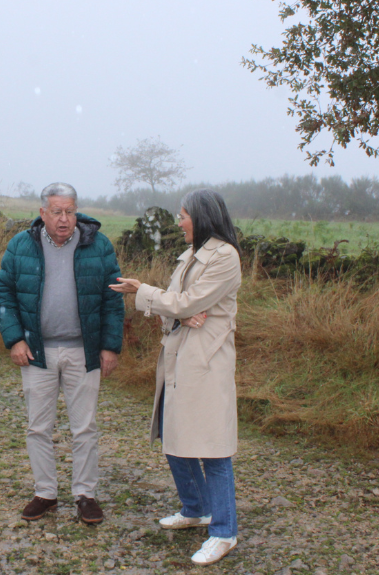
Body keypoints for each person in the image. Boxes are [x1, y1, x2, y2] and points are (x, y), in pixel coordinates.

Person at [109, 188, 244, 566]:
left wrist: (150, 294)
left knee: (213, 448)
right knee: (173, 436)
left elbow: (185, 302)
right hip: (177, 359)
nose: (179, 222)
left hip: (206, 364)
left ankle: (224, 532)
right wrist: (180, 313)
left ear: (202, 217)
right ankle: (195, 508)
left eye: (183, 215)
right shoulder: (188, 257)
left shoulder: (225, 257)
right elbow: (176, 307)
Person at [0, 182, 125, 524]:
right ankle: (45, 493)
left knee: (84, 428)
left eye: (69, 211)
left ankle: (86, 495)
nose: (64, 219)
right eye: (57, 212)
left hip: (84, 352)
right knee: (38, 427)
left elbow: (114, 299)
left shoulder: (98, 245)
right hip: (37, 352)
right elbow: (5, 294)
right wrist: (15, 340)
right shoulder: (21, 246)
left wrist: (110, 346)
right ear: (43, 213)